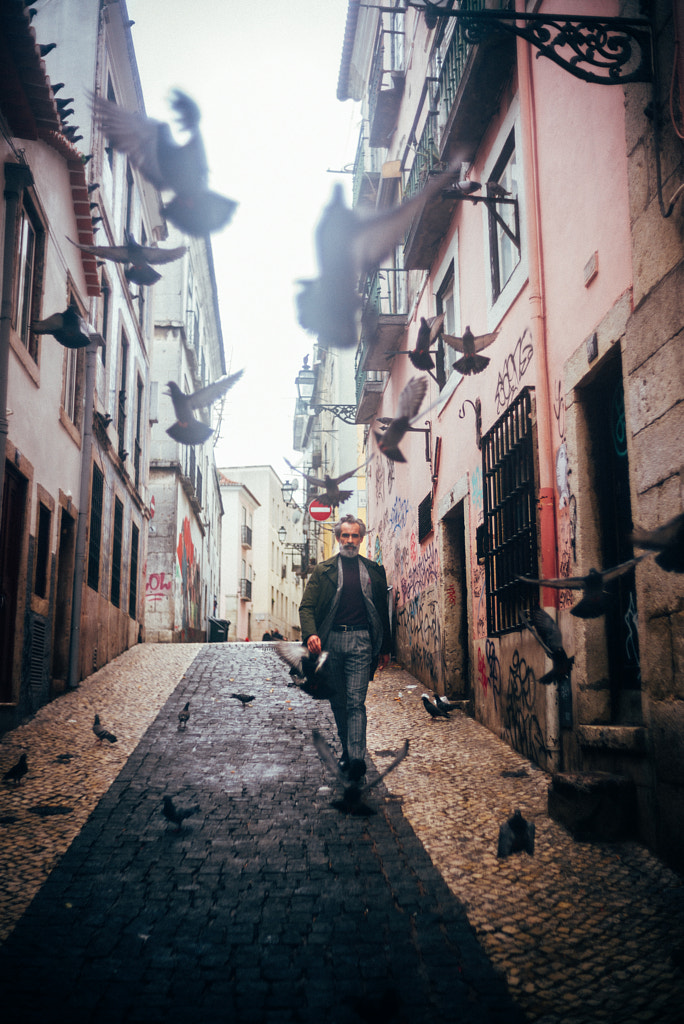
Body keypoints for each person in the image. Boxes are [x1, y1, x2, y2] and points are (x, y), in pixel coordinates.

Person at [299, 514, 392, 782]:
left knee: (355, 702)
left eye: (355, 536)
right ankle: (347, 752)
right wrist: (311, 634)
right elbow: (306, 607)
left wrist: (385, 646)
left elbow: (382, 612)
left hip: (362, 642)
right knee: (339, 701)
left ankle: (357, 758)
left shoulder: (374, 570)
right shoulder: (323, 571)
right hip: (331, 643)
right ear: (338, 538)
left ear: (361, 539)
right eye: (345, 536)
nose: (350, 541)